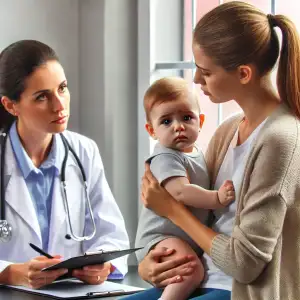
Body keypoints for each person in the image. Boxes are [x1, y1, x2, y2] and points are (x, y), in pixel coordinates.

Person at [125, 1, 300, 300]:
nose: (195, 80)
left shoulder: (281, 139)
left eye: (205, 71)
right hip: (197, 279)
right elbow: (202, 213)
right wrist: (148, 266)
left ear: (244, 74)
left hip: (236, 290)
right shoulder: (228, 130)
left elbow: (244, 266)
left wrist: (172, 210)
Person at [0, 40, 129, 289]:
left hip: (70, 293)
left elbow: (111, 233)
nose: (59, 105)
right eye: (42, 97)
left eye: (62, 88)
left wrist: (102, 266)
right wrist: (9, 273)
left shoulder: (83, 151)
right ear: (10, 105)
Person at [135, 76, 235, 300]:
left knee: (189, 272)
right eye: (166, 122)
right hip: (161, 236)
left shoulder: (197, 152)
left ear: (200, 121)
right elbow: (181, 192)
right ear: (151, 131)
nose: (178, 126)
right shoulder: (165, 156)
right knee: (191, 270)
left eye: (187, 117)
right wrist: (216, 199)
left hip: (183, 237)